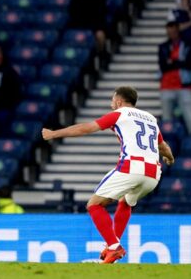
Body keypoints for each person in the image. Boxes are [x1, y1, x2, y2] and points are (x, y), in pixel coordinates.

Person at [42, 86, 175, 264]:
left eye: (113, 100)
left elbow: (86, 128)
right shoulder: (151, 118)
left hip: (131, 167)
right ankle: (112, 247)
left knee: (94, 205)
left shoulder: (119, 114)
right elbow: (163, 147)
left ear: (119, 101)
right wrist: (170, 159)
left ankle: (113, 246)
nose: (111, 103)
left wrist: (54, 134)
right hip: (153, 174)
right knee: (126, 202)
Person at [159, 22, 191, 134]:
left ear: (178, 31)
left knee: (189, 118)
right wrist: (178, 62)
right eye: (169, 32)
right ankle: (169, 147)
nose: (171, 34)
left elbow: (188, 63)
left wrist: (172, 62)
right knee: (167, 122)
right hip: (166, 86)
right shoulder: (163, 47)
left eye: (173, 32)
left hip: (183, 85)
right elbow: (163, 66)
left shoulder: (187, 45)